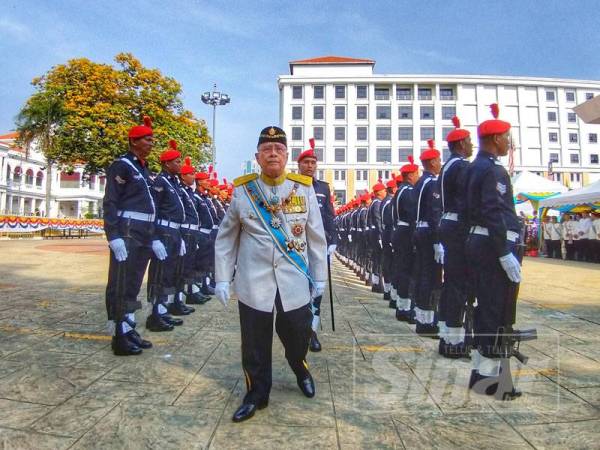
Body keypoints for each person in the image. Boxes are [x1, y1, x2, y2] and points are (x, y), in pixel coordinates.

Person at [214, 126, 327, 423]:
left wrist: (320, 277)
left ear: (287, 155)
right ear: (258, 157)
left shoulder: (303, 188)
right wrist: (223, 277)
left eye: (278, 149)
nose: (273, 153)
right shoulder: (243, 190)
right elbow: (227, 237)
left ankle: (300, 367)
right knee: (254, 341)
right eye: (267, 149)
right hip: (254, 279)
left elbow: (316, 237)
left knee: (299, 333)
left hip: (293, 278)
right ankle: (256, 393)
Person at [465, 103, 522, 400]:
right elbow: (494, 212)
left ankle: (483, 374)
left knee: (486, 308)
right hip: (492, 246)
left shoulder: (473, 168)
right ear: (494, 139)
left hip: (479, 244)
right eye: (506, 137)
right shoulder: (493, 171)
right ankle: (492, 382)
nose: (508, 143)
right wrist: (503, 252)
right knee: (496, 311)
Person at [103, 116, 155, 355]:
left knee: (133, 283)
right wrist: (113, 235)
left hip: (143, 233)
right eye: (147, 139)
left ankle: (128, 326)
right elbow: (111, 201)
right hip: (127, 230)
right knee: (121, 281)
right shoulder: (122, 165)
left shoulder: (142, 168)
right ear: (134, 141)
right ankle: (118, 334)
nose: (152, 143)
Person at [297, 139, 337, 353]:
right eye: (306, 162)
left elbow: (330, 216)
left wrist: (334, 240)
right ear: (299, 165)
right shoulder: (292, 185)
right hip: (297, 244)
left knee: (318, 288)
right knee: (299, 286)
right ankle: (299, 328)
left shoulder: (323, 187)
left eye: (313, 162)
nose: (310, 166)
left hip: (319, 244)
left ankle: (312, 331)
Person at [438, 116, 472, 358]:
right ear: (460, 145)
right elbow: (466, 200)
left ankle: (448, 335)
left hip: (448, 223)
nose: (472, 146)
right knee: (458, 284)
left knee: (452, 283)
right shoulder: (460, 166)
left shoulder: (448, 165)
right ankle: (454, 340)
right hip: (458, 225)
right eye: (469, 142)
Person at [145, 141, 187, 332]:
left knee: (169, 274)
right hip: (163, 231)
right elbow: (152, 210)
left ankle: (162, 311)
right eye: (177, 161)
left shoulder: (173, 183)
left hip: (174, 232)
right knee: (160, 274)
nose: (180, 164)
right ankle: (155, 315)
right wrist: (153, 238)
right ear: (167, 164)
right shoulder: (160, 182)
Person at [412, 139, 443, 337]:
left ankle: (422, 317)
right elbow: (434, 212)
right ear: (432, 163)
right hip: (428, 233)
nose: (441, 163)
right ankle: (426, 321)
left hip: (420, 231)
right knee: (430, 277)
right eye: (439, 160)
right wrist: (438, 240)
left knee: (424, 274)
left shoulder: (420, 183)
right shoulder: (431, 183)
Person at [391, 158, 419, 322]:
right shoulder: (408, 191)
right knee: (408, 271)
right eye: (417, 173)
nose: (418, 176)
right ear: (410, 175)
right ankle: (406, 308)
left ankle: (402, 306)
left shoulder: (401, 190)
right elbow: (412, 215)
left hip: (400, 230)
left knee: (402, 269)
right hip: (407, 231)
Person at [368, 182, 387, 293]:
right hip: (376, 235)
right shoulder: (377, 203)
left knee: (376, 259)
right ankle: (378, 285)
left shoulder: (374, 203)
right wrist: (381, 235)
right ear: (379, 192)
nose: (385, 192)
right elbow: (378, 219)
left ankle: (376, 283)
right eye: (383, 190)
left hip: (373, 234)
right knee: (379, 259)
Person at [381, 177, 396, 306]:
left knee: (387, 263)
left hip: (386, 234)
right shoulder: (389, 202)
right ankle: (390, 292)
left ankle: (388, 290)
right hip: (389, 234)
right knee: (391, 264)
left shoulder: (385, 201)